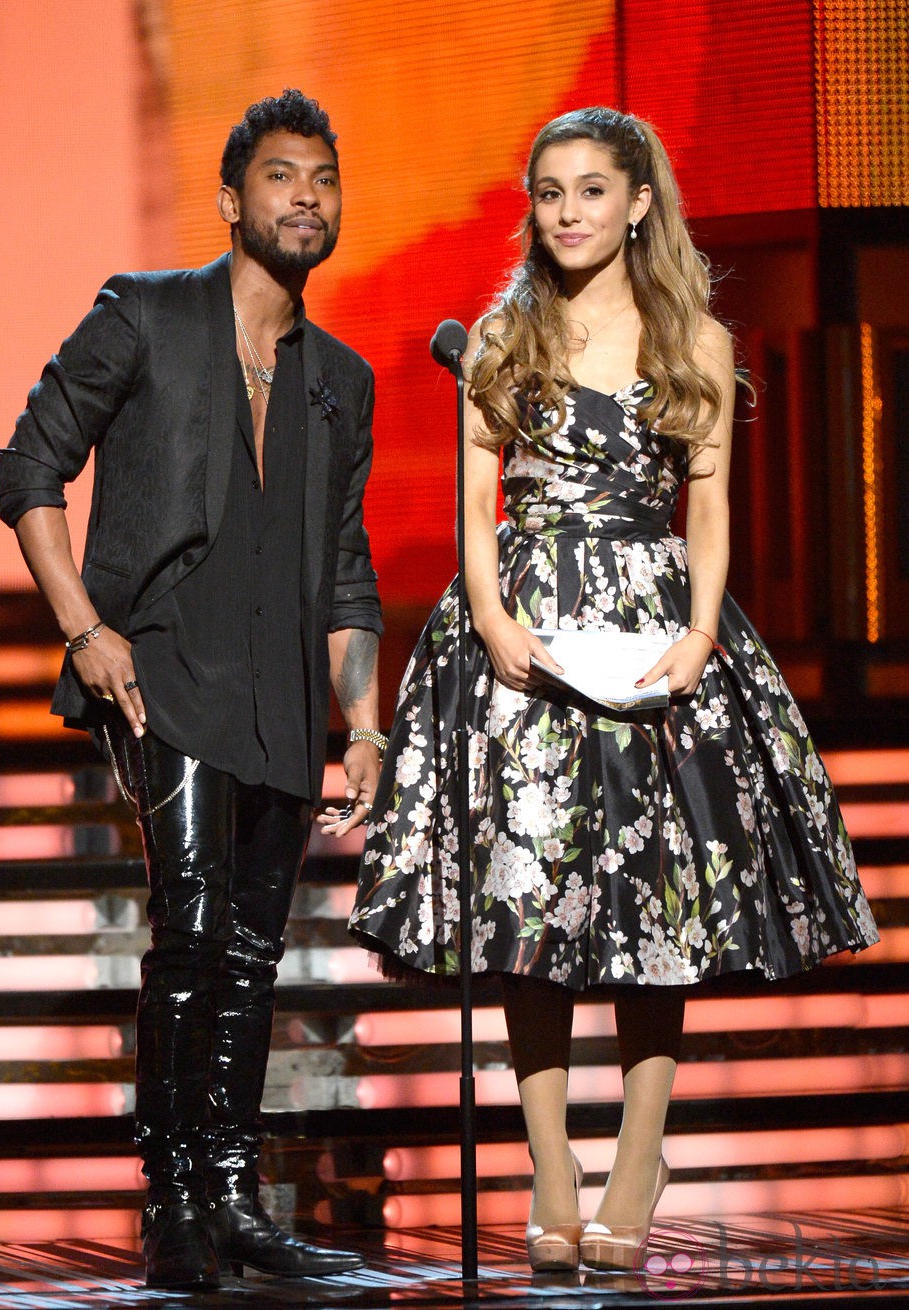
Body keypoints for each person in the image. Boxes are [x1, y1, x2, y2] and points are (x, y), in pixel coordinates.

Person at [347, 106, 879, 1274]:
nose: (568, 211)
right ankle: (550, 1162)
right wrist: (488, 617)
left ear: (638, 202)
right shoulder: (499, 336)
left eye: (590, 189)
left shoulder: (691, 340)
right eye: (548, 192)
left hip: (647, 637)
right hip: (525, 641)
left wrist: (696, 635)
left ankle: (639, 1152)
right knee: (527, 904)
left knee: (651, 901)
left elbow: (710, 508)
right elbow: (474, 506)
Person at [0, 89, 385, 1291]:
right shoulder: (147, 314)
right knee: (194, 927)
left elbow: (346, 569)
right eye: (280, 175)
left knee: (254, 954)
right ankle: (173, 1198)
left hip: (280, 695)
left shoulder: (343, 378)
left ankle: (231, 1191)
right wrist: (85, 630)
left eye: (322, 176)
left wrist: (362, 716)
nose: (305, 195)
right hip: (164, 671)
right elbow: (27, 468)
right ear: (231, 200)